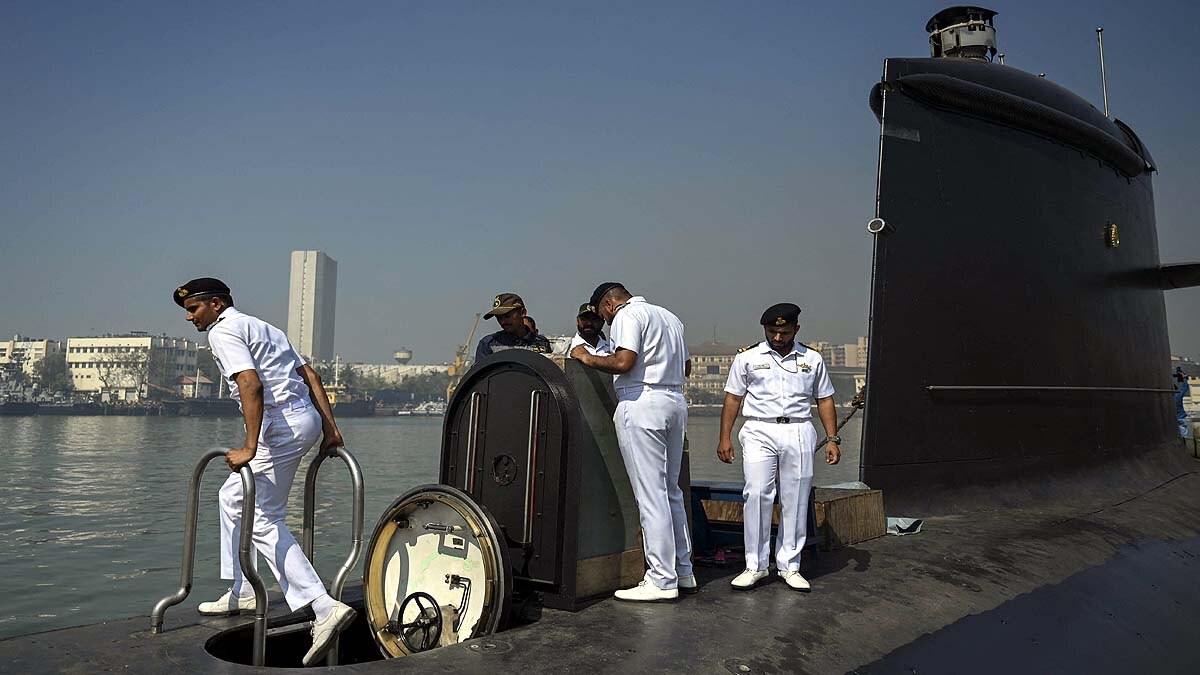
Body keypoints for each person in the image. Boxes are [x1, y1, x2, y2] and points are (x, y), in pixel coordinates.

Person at [174, 278, 355, 666]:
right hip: (301, 419)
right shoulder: (264, 327)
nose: (189, 317)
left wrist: (251, 447)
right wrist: (330, 427)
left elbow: (249, 385)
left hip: (278, 427)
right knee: (231, 497)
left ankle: (322, 606)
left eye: (194, 309)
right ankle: (240, 587)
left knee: (262, 518)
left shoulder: (223, 331)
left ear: (216, 304)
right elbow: (311, 377)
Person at [570, 282, 694, 601]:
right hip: (674, 402)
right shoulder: (670, 317)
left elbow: (624, 362)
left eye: (603, 315)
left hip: (642, 402)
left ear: (610, 305)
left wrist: (586, 357)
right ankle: (683, 570)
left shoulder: (627, 315)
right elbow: (687, 367)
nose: (606, 322)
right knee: (671, 492)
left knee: (650, 495)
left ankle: (661, 580)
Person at [717, 303, 840, 592]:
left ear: (796, 329)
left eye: (784, 332)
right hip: (760, 427)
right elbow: (733, 398)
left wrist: (832, 438)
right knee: (757, 493)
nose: (777, 337)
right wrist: (725, 437)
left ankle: (789, 565)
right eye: (772, 331)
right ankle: (755, 565)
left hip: (798, 427)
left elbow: (824, 399)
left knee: (795, 496)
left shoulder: (812, 359)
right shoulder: (748, 358)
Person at [474, 292, 552, 362]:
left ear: (522, 312)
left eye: (507, 316)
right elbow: (480, 375)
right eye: (499, 318)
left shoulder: (541, 343)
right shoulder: (488, 344)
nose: (503, 322)